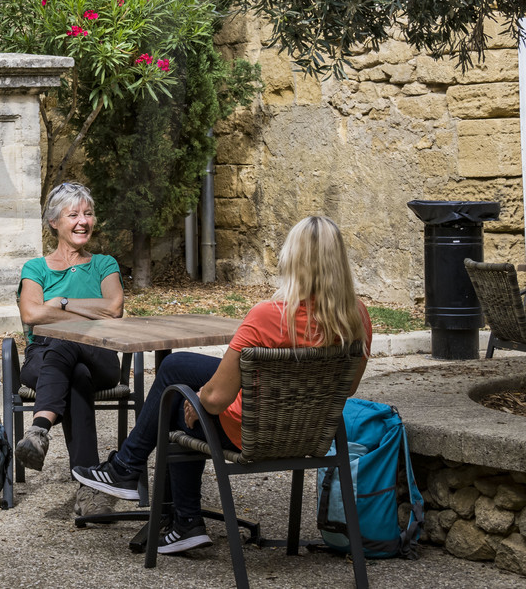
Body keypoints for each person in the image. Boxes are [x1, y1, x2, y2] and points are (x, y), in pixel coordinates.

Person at [72, 215, 373, 555]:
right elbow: (346, 389)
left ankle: (154, 495)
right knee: (177, 365)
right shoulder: (357, 318)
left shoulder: (267, 316)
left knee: (179, 400)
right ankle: (144, 487)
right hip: (310, 432)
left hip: (252, 433)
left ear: (293, 260)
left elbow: (215, 400)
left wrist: (200, 397)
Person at [13, 183, 126, 485]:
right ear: (54, 222)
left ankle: (39, 430)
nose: (83, 221)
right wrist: (88, 312)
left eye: (88, 214)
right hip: (44, 358)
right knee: (75, 373)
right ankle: (89, 485)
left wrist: (61, 303)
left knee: (66, 340)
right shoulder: (36, 268)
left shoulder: (104, 264)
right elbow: (31, 314)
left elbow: (114, 308)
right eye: (73, 214)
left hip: (99, 353)